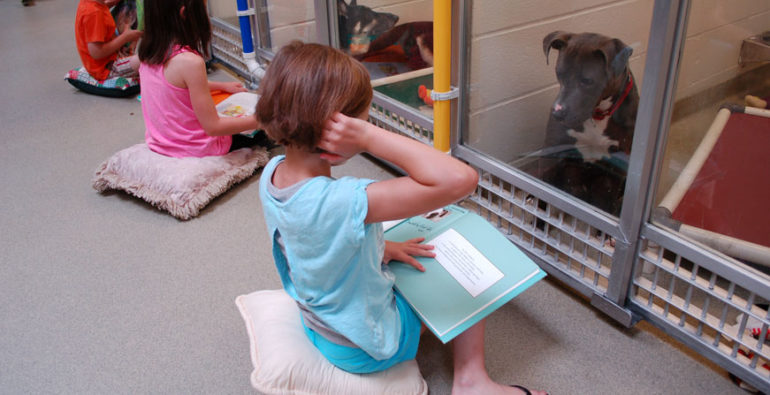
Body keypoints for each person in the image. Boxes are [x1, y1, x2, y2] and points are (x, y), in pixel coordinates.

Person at [256, 41, 547, 395]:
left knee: (409, 243)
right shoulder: (344, 200)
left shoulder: (273, 173)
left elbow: (313, 240)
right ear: (338, 130)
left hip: (322, 327)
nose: (366, 124)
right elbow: (461, 180)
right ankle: (472, 381)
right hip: (364, 347)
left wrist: (383, 247)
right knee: (471, 272)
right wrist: (368, 137)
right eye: (363, 119)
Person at [137, 0, 265, 158]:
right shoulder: (190, 62)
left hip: (161, 143)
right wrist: (261, 120)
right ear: (185, 14)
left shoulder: (147, 52)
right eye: (204, 9)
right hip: (197, 150)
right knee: (264, 132)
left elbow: (176, 86)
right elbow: (213, 127)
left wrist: (221, 86)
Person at [75, 0, 143, 81]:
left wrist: (111, 3)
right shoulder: (94, 14)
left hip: (113, 56)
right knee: (148, 58)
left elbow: (101, 8)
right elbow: (97, 53)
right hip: (107, 68)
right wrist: (125, 38)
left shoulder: (92, 4)